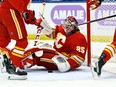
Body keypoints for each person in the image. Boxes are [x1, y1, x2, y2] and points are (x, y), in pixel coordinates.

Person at [22, 15, 87, 72]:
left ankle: (26, 62)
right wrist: (42, 25)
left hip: (63, 60)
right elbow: (51, 33)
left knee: (38, 54)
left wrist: (68, 64)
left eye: (69, 26)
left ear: (75, 26)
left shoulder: (80, 38)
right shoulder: (61, 28)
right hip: (56, 52)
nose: (66, 29)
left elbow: (79, 58)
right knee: (39, 47)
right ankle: (21, 58)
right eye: (65, 26)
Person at [0, 0, 37, 80]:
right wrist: (24, 11)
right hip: (10, 11)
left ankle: (6, 63)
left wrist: (33, 20)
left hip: (3, 9)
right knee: (22, 41)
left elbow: (24, 13)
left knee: (3, 41)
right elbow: (22, 9)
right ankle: (14, 67)